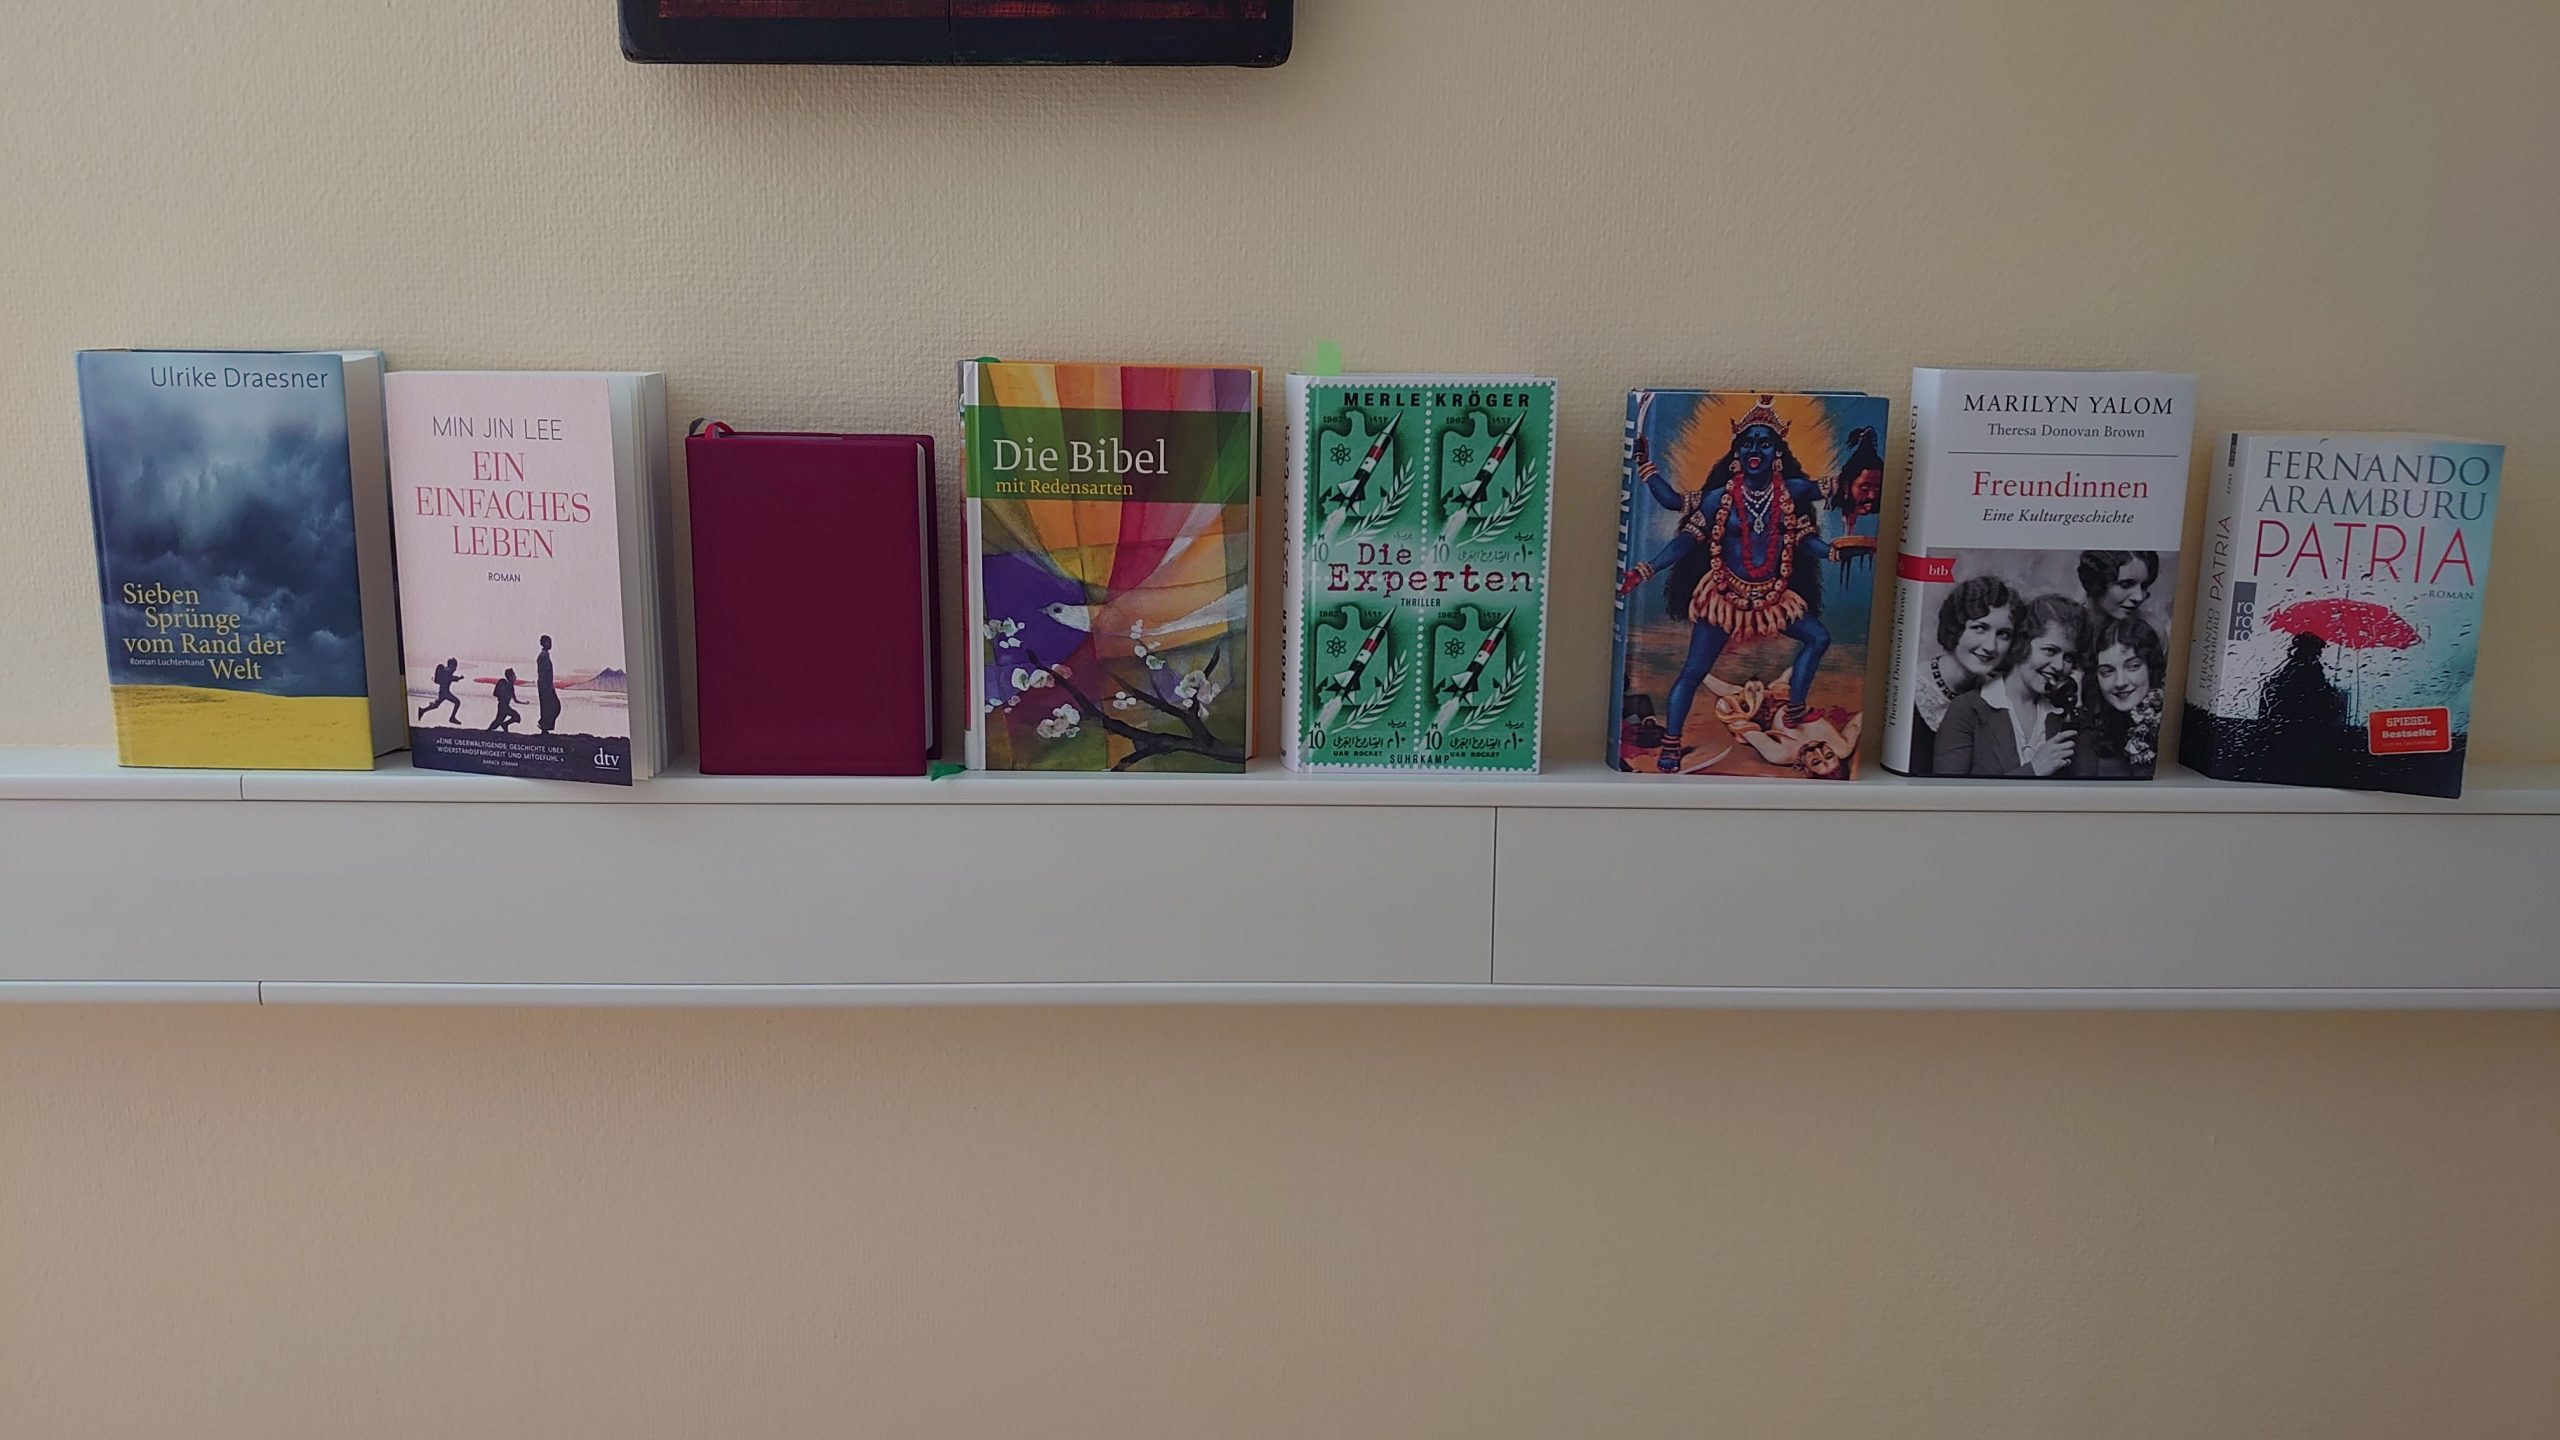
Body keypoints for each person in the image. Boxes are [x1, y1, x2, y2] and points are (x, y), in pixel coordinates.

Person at [1617, 395, 1849, 773]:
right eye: (1747, 443)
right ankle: (1671, 743)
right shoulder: (1718, 499)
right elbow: (1676, 513)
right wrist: (1645, 568)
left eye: (1764, 443)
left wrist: (1835, 551)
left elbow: (1813, 530)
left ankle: (1794, 709)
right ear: (1737, 451)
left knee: (1818, 637)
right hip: (1724, 597)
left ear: (1777, 452)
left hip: (1774, 597)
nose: (1755, 450)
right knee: (1693, 671)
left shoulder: (1792, 492)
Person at [1936, 594, 2088, 777]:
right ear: (2022, 644)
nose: (2059, 666)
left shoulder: (2065, 715)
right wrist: (2033, 769)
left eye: (2068, 657)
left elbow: (2084, 785)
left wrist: (2076, 705)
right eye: (2050, 650)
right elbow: (1947, 792)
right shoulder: (1967, 709)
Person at [1906, 575, 2020, 775]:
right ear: (1956, 627)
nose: (1990, 646)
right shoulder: (1908, 689)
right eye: (1979, 628)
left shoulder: (1998, 695)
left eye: (2003, 634)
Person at [2076, 614, 2167, 777]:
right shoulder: (2091, 737)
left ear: (2151, 667)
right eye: (2107, 671)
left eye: (2133, 667)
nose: (2120, 682)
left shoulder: (2172, 727)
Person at [2077, 549, 2160, 624]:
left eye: (2144, 586)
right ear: (2095, 583)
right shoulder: (2071, 626)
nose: (2139, 597)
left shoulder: (2151, 626)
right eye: (2126, 585)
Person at [417, 658, 464, 724]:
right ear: (451, 665)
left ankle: (422, 710)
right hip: (445, 693)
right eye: (455, 666)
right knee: (457, 702)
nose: (455, 669)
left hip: (442, 692)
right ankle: (452, 718)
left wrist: (457, 678)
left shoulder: (447, 671)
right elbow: (449, 678)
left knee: (436, 705)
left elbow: (448, 678)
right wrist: (458, 678)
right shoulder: (447, 671)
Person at [535, 635, 561, 735]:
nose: (550, 644)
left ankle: (544, 725)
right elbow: (544, 672)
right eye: (549, 642)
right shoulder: (543, 656)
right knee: (550, 706)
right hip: (545, 685)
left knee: (550, 706)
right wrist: (548, 685)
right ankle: (544, 726)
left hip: (546, 684)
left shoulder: (544, 655)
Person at [485, 668, 523, 732]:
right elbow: (495, 693)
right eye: (514, 675)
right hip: (502, 706)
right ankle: (489, 731)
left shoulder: (511, 686)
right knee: (497, 721)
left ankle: (504, 724)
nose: (515, 677)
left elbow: (515, 700)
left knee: (516, 717)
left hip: (506, 707)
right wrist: (503, 695)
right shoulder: (502, 682)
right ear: (510, 677)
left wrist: (524, 703)